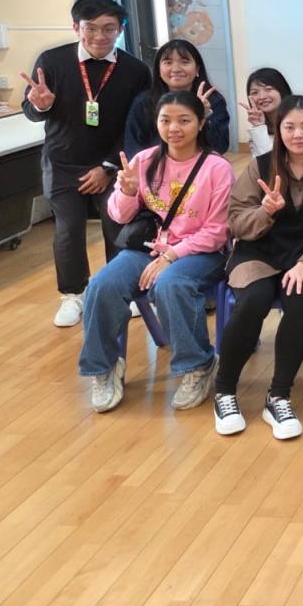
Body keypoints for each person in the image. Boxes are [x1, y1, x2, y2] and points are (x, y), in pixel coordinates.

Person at [79, 90, 232, 412]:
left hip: (201, 253)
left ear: (201, 123)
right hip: (149, 248)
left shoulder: (216, 168)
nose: (174, 128)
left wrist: (172, 256)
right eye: (166, 120)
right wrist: (126, 191)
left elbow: (217, 232)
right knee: (102, 284)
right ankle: (104, 367)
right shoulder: (144, 161)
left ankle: (198, 365)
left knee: (171, 284)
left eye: (184, 120)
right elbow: (119, 216)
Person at [215, 96, 303, 439]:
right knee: (254, 298)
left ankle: (278, 396)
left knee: (300, 299)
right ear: (277, 129)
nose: (298, 134)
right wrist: (265, 211)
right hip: (258, 252)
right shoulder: (260, 167)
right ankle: (224, 390)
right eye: (289, 127)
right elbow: (236, 221)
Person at [21, 0, 151, 327]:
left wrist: (108, 167)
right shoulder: (51, 61)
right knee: (68, 231)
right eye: (90, 28)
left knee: (117, 226)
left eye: (108, 28)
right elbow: (31, 111)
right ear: (76, 27)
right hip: (62, 163)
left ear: (120, 30)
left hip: (111, 165)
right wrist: (40, 106)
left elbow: (136, 126)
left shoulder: (135, 70)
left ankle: (122, 289)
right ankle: (73, 294)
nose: (99, 36)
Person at [124, 39, 230, 159]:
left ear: (197, 69)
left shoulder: (212, 100)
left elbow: (220, 147)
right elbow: (133, 149)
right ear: (158, 70)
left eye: (184, 62)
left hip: (201, 167)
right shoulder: (144, 102)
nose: (176, 69)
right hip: (155, 166)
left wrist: (204, 115)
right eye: (168, 62)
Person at [240, 67, 291, 158]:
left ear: (282, 90)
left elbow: (275, 162)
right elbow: (262, 163)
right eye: (255, 92)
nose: (262, 97)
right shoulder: (259, 127)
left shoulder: (296, 122)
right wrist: (259, 126)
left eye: (268, 89)